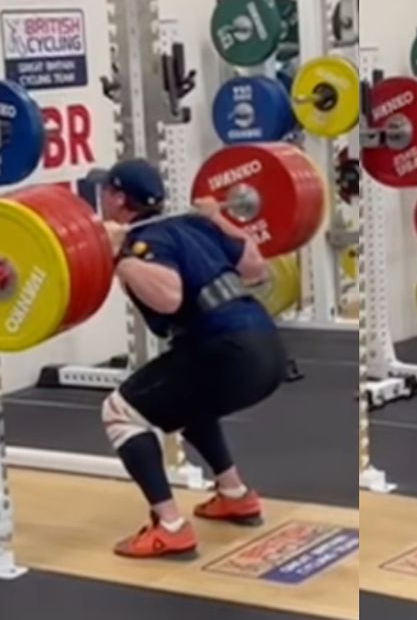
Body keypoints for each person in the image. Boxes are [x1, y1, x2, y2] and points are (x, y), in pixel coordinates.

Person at [86, 158, 290, 559]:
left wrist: (117, 257)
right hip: (267, 349)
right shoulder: (195, 225)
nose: (102, 199)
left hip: (227, 351)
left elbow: (169, 296)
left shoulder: (144, 243)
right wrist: (218, 218)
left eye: (106, 191)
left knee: (119, 412)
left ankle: (170, 526)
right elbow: (255, 266)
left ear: (119, 197)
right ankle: (234, 494)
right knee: (185, 402)